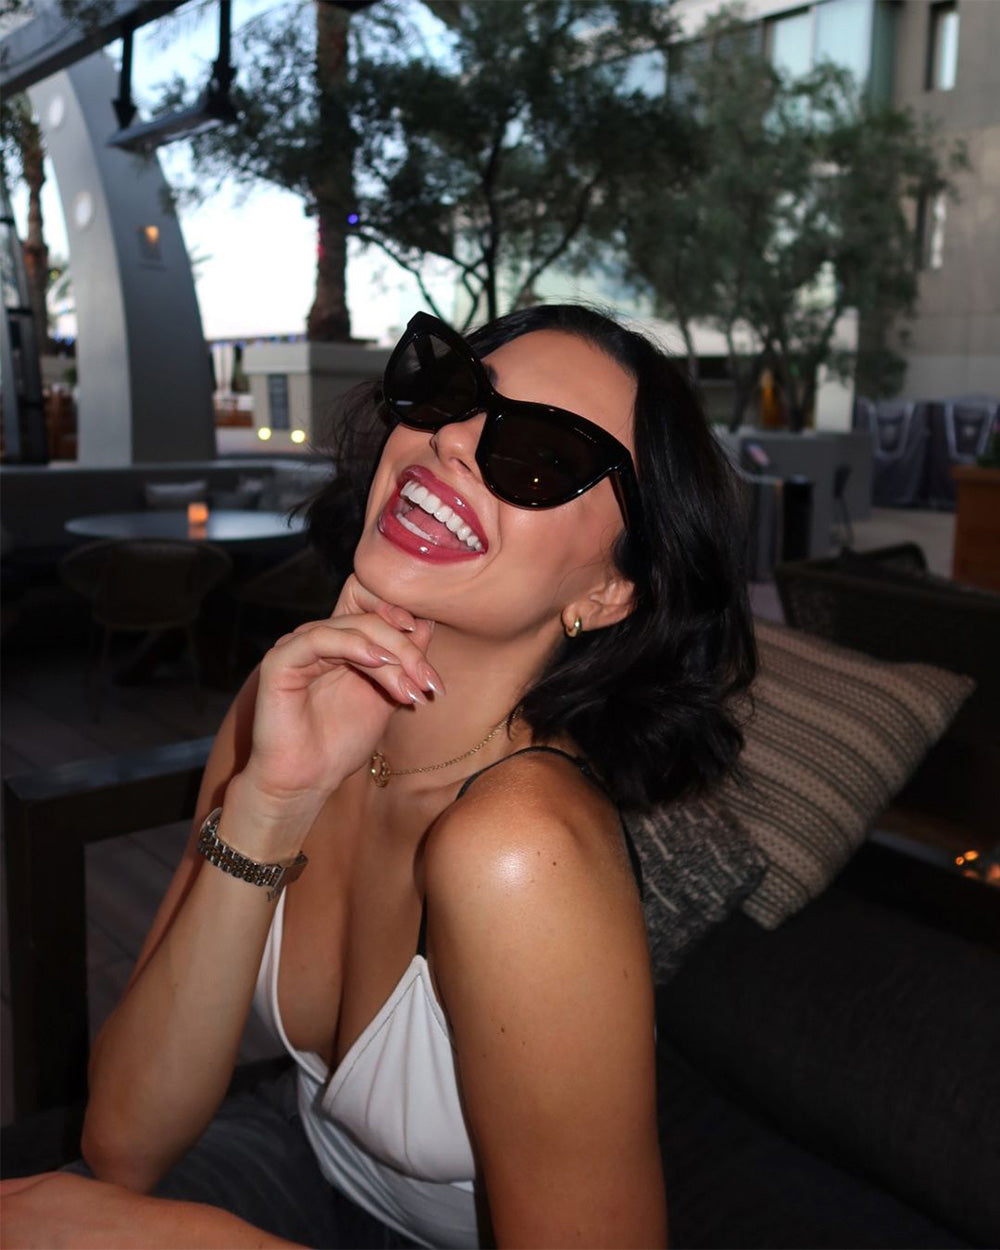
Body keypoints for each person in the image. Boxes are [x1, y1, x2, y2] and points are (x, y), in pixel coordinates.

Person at [0, 305, 755, 1249]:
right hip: (301, 1155)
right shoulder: (286, 703)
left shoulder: (521, 849)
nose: (453, 440)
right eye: (455, 393)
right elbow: (124, 1141)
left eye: (543, 456)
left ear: (607, 592)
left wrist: (180, 1239)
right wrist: (272, 803)